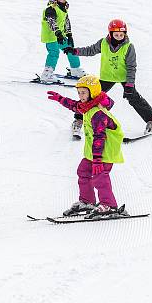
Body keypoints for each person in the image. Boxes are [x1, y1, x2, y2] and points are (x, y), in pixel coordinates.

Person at [62, 19, 152, 136]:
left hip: (124, 77)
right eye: (116, 35)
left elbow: (131, 67)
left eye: (122, 34)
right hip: (107, 77)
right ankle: (79, 120)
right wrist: (75, 51)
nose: (119, 37)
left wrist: (129, 85)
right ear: (110, 34)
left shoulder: (129, 47)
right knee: (90, 97)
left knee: (134, 98)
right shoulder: (103, 43)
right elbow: (90, 50)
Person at [46, 75, 128, 218]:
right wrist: (59, 98)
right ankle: (87, 201)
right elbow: (74, 106)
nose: (80, 96)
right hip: (95, 152)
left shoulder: (98, 113)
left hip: (105, 152)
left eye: (83, 92)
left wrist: (97, 160)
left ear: (93, 92)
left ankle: (109, 205)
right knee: (83, 170)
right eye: (79, 92)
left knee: (99, 176)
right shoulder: (88, 105)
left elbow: (99, 137)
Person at [39, 0, 85, 84]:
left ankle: (75, 69)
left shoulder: (63, 8)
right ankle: (47, 74)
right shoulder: (50, 9)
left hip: (60, 36)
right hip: (51, 36)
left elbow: (66, 21)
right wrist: (58, 33)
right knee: (54, 52)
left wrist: (69, 34)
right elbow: (52, 22)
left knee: (70, 49)